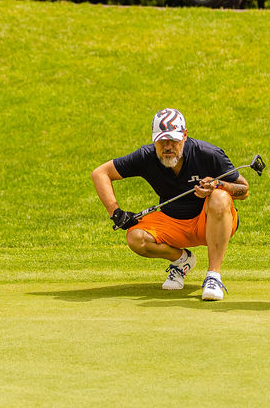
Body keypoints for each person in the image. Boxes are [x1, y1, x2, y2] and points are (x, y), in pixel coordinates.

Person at [91, 108, 250, 301]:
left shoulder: (207, 153)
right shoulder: (146, 156)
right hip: (173, 223)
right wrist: (116, 213)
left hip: (209, 222)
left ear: (185, 135)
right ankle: (182, 261)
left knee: (220, 197)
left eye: (173, 140)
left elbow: (244, 189)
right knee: (135, 238)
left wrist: (218, 184)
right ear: (154, 140)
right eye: (162, 141)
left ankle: (213, 277)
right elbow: (100, 173)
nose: (168, 146)